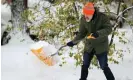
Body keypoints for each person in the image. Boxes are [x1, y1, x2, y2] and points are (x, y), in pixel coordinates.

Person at [67, 2, 115, 80]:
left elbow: (109, 29)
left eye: (88, 15)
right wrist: (73, 42)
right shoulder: (83, 19)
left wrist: (98, 33)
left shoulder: (102, 17)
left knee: (104, 66)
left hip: (101, 45)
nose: (86, 16)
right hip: (89, 45)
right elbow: (81, 33)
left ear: (93, 13)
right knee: (85, 64)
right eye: (85, 14)